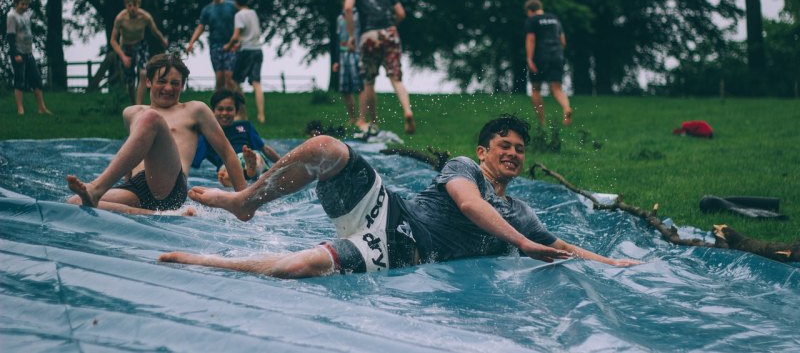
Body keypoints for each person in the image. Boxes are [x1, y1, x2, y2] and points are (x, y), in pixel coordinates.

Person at [160, 114, 641, 278]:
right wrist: (525, 244)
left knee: (298, 268)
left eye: (519, 150)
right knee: (327, 147)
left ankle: (208, 263)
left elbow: (558, 245)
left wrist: (609, 263)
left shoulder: (522, 211)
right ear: (483, 151)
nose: (513, 155)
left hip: (408, 249)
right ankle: (247, 199)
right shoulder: (464, 167)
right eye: (504, 147)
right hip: (391, 212)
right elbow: (470, 205)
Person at [66, 53, 247, 215]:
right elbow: (134, 151)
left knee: (151, 118)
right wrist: (126, 182)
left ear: (182, 85)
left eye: (175, 83)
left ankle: (96, 188)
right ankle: (156, 214)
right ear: (149, 82)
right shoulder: (131, 113)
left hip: (170, 186)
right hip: (137, 186)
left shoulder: (195, 110)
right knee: (74, 202)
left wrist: (243, 201)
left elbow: (227, 152)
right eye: (162, 81)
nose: (168, 88)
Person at [343, 0, 415, 135]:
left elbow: (347, 8)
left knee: (369, 81)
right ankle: (407, 110)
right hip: (389, 32)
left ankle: (373, 122)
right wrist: (392, 27)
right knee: (396, 78)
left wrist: (352, 35)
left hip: (369, 34)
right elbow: (400, 13)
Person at [192, 89, 280, 187]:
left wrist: (282, 162)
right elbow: (192, 159)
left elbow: (264, 148)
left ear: (236, 111)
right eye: (220, 109)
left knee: (256, 157)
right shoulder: (207, 135)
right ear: (213, 111)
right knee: (225, 170)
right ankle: (245, 174)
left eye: (229, 109)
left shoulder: (245, 126)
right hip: (227, 164)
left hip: (247, 156)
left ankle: (248, 171)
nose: (225, 113)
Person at [109, 0, 169, 105]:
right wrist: (123, 56)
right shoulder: (120, 19)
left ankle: (139, 105)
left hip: (140, 45)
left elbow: (154, 31)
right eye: (129, 5)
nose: (132, 8)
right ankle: (133, 105)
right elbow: (112, 40)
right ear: (126, 6)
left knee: (143, 73)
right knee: (130, 82)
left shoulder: (145, 17)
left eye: (135, 5)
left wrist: (163, 40)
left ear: (138, 5)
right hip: (126, 47)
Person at [524, 0, 572, 126]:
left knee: (536, 89)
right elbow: (563, 41)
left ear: (530, 11)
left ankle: (542, 122)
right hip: (557, 55)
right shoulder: (554, 18)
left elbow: (531, 39)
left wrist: (529, 58)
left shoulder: (532, 20)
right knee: (556, 88)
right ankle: (566, 108)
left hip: (540, 56)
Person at [186, 0, 238, 91]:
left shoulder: (232, 6)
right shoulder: (207, 10)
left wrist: (239, 40)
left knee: (229, 78)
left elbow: (241, 24)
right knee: (219, 79)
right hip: (215, 45)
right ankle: (218, 106)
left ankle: (237, 105)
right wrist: (191, 42)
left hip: (231, 44)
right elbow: (201, 27)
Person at [5, 0, 52, 116]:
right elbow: (10, 37)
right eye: (22, 4)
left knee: (36, 79)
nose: (25, 6)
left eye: (26, 4)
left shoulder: (26, 15)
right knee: (19, 80)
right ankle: (20, 110)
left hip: (28, 52)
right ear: (16, 3)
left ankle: (41, 108)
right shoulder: (11, 16)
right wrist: (15, 54)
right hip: (18, 53)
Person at [224, 0, 266, 123]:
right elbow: (253, 33)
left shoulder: (239, 15)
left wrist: (229, 46)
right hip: (257, 49)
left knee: (235, 81)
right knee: (256, 83)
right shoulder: (253, 13)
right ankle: (261, 115)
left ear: (236, 2)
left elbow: (236, 35)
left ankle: (242, 113)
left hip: (246, 51)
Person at [332, 0, 363, 127]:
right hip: (343, 54)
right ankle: (352, 117)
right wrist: (336, 60)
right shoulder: (339, 18)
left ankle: (362, 118)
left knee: (360, 86)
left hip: (356, 53)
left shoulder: (359, 15)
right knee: (345, 89)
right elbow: (338, 39)